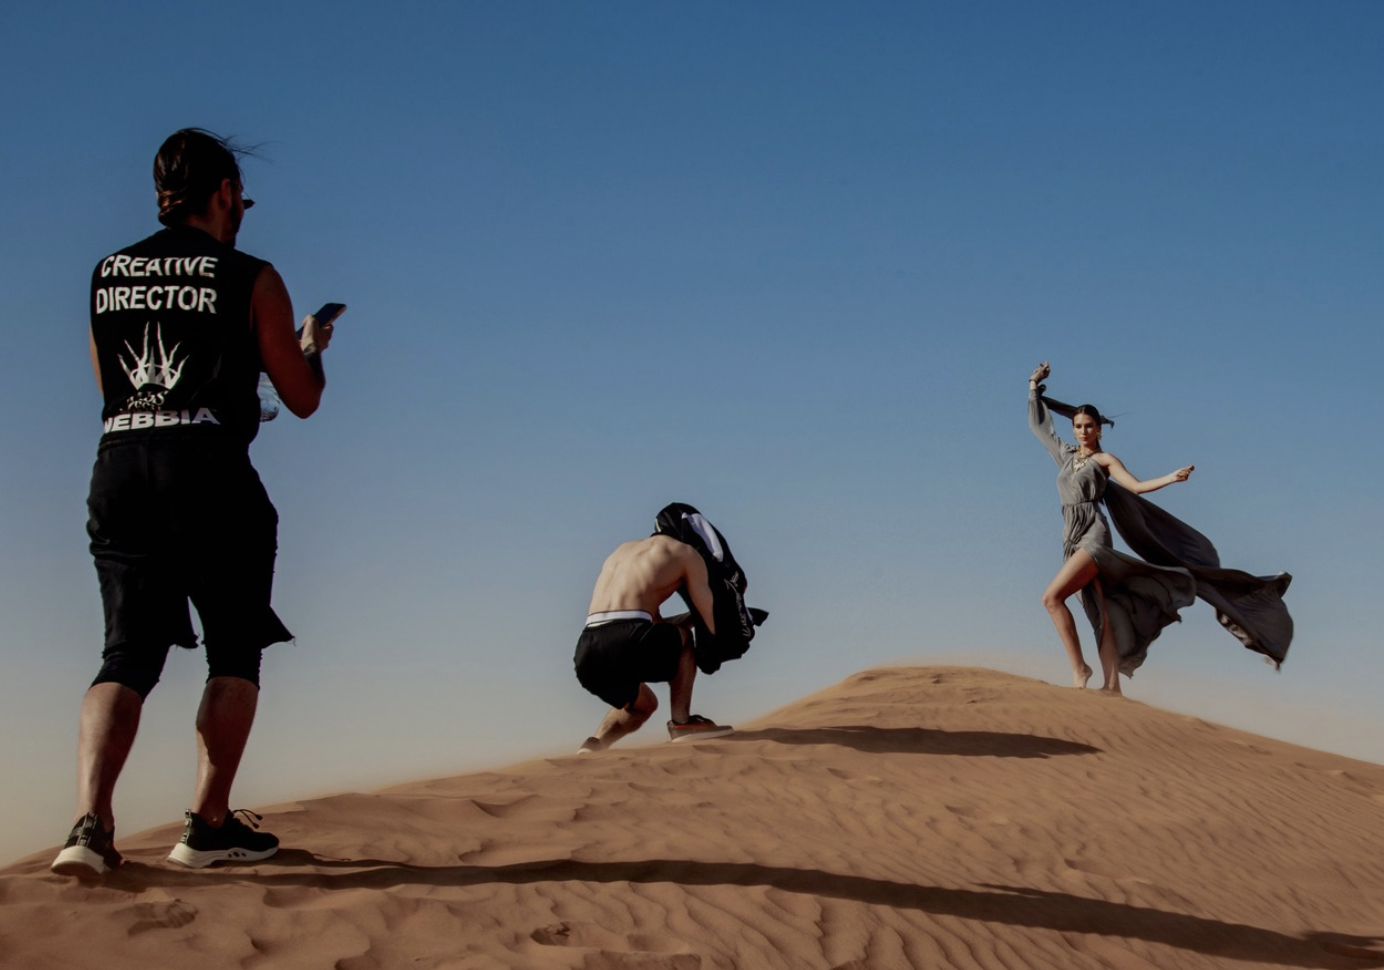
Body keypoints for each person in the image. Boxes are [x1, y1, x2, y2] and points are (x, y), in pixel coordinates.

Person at [51, 129, 336, 876]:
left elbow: (107, 386)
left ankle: (89, 825)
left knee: (125, 654)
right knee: (234, 650)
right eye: (240, 194)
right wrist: (308, 349)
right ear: (221, 193)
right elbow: (301, 399)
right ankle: (208, 827)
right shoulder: (250, 275)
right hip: (207, 466)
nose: (243, 207)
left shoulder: (106, 274)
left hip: (119, 462)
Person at [1027, 361, 1293, 694]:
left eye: (1089, 426)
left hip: (1093, 536)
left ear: (1099, 430)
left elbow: (1135, 487)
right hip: (1070, 536)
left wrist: (1172, 477)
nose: (1082, 431)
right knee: (1102, 613)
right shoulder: (1065, 456)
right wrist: (1034, 385)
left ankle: (1080, 670)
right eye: (1078, 425)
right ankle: (1112, 687)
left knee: (1051, 598)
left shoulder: (1104, 461)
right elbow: (1041, 428)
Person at [573, 532, 736, 753]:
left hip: (587, 649)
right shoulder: (686, 552)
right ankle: (682, 723)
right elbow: (710, 621)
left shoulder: (622, 552)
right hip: (629, 638)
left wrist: (690, 618)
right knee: (684, 640)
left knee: (644, 705)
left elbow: (643, 623)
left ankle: (596, 744)